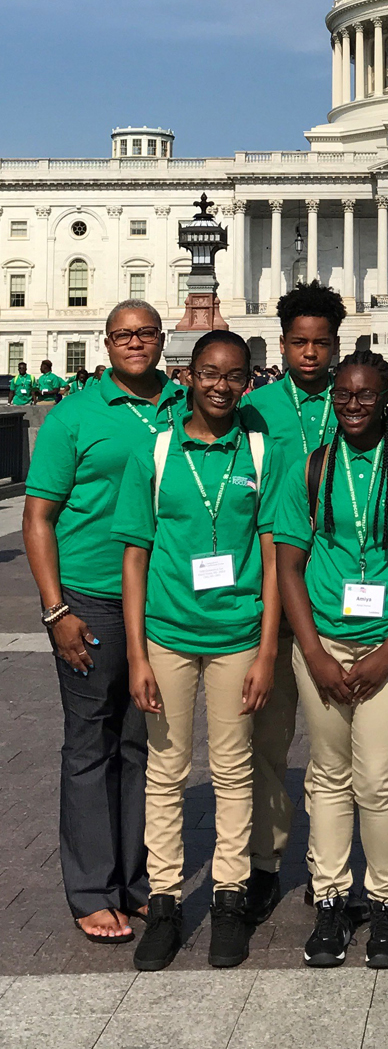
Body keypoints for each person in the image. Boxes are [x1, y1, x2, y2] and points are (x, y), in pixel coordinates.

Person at [275, 350, 388, 969]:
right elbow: (288, 565)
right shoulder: (313, 469)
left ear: (386, 397)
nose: (352, 405)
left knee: (376, 777)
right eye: (343, 395)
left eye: (366, 395)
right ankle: (328, 898)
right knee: (326, 774)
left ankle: (383, 901)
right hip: (322, 639)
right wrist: (314, 651)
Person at [116, 330, 282, 971]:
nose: (220, 385)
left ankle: (230, 895)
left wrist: (268, 651)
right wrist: (136, 655)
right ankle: (164, 900)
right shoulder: (155, 452)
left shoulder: (261, 453)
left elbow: (271, 558)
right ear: (188, 376)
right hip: (168, 634)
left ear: (248, 380)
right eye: (209, 373)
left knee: (235, 770)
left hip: (239, 634)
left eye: (234, 375)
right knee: (167, 772)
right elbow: (136, 557)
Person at [22, 304, 185, 942]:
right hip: (91, 596)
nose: (135, 343)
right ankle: (91, 888)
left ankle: (137, 879)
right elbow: (39, 517)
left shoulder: (183, 402)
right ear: (108, 342)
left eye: (146, 333)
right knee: (90, 741)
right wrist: (55, 608)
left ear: (161, 338)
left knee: (143, 743)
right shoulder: (74, 415)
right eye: (123, 335)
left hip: (162, 597)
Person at [239, 280, 346, 922]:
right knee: (269, 737)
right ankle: (263, 860)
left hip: (333, 589)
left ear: (336, 345)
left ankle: (326, 865)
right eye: (299, 343)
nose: (310, 354)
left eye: (321, 343)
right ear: (283, 345)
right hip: (268, 587)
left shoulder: (355, 402)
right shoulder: (255, 408)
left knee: (333, 744)